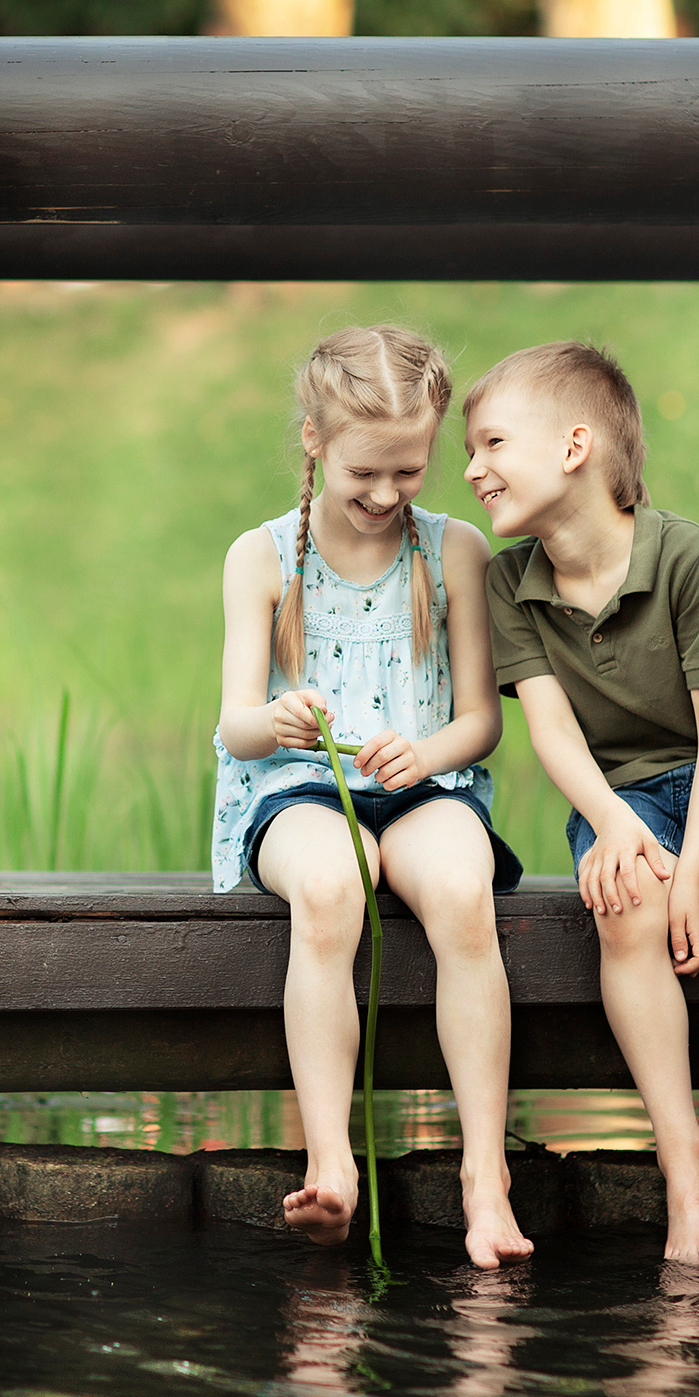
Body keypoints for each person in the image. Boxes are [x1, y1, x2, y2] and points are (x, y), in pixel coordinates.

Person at [463, 341, 699, 1272]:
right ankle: (682, 1160)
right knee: (625, 905)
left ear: (575, 445)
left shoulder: (686, 555)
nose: (471, 468)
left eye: (493, 442)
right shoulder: (509, 585)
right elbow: (552, 735)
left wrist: (692, 864)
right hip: (617, 796)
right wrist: (615, 825)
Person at [214, 324, 531, 1270]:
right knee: (329, 889)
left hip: (422, 784)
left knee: (464, 895)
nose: (389, 494)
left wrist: (423, 750)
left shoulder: (457, 551)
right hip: (304, 790)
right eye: (366, 471)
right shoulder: (263, 557)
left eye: (411, 470)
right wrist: (281, 719)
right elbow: (234, 725)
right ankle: (331, 1160)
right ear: (313, 438)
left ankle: (485, 1171)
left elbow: (482, 719)